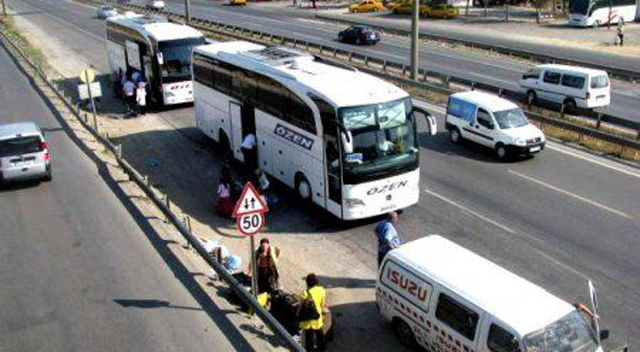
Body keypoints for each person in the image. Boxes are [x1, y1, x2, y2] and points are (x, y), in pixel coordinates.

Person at [298, 273, 327, 352]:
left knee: (309, 337)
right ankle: (322, 348)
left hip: (307, 320)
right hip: (317, 317)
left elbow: (300, 307)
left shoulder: (305, 293)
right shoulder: (322, 291)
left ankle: (310, 350)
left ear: (307, 283)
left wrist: (297, 315)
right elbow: (322, 305)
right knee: (320, 335)